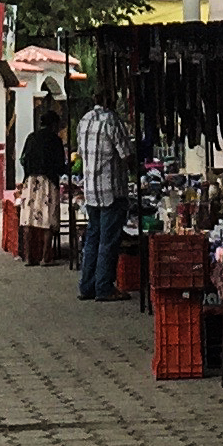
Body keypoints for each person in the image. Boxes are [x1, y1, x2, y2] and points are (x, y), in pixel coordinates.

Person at [75, 90, 130, 299]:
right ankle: (104, 288)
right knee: (108, 241)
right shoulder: (112, 121)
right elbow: (126, 154)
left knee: (92, 239)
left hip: (91, 191)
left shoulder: (84, 121)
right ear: (110, 100)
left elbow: (81, 153)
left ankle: (87, 286)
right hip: (111, 191)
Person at [17, 89, 67, 265]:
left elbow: (22, 159)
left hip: (31, 181)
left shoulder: (31, 137)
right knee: (47, 220)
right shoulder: (55, 140)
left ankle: (28, 257)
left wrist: (28, 174)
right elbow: (60, 164)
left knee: (28, 220)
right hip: (48, 181)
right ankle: (45, 257)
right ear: (53, 125)